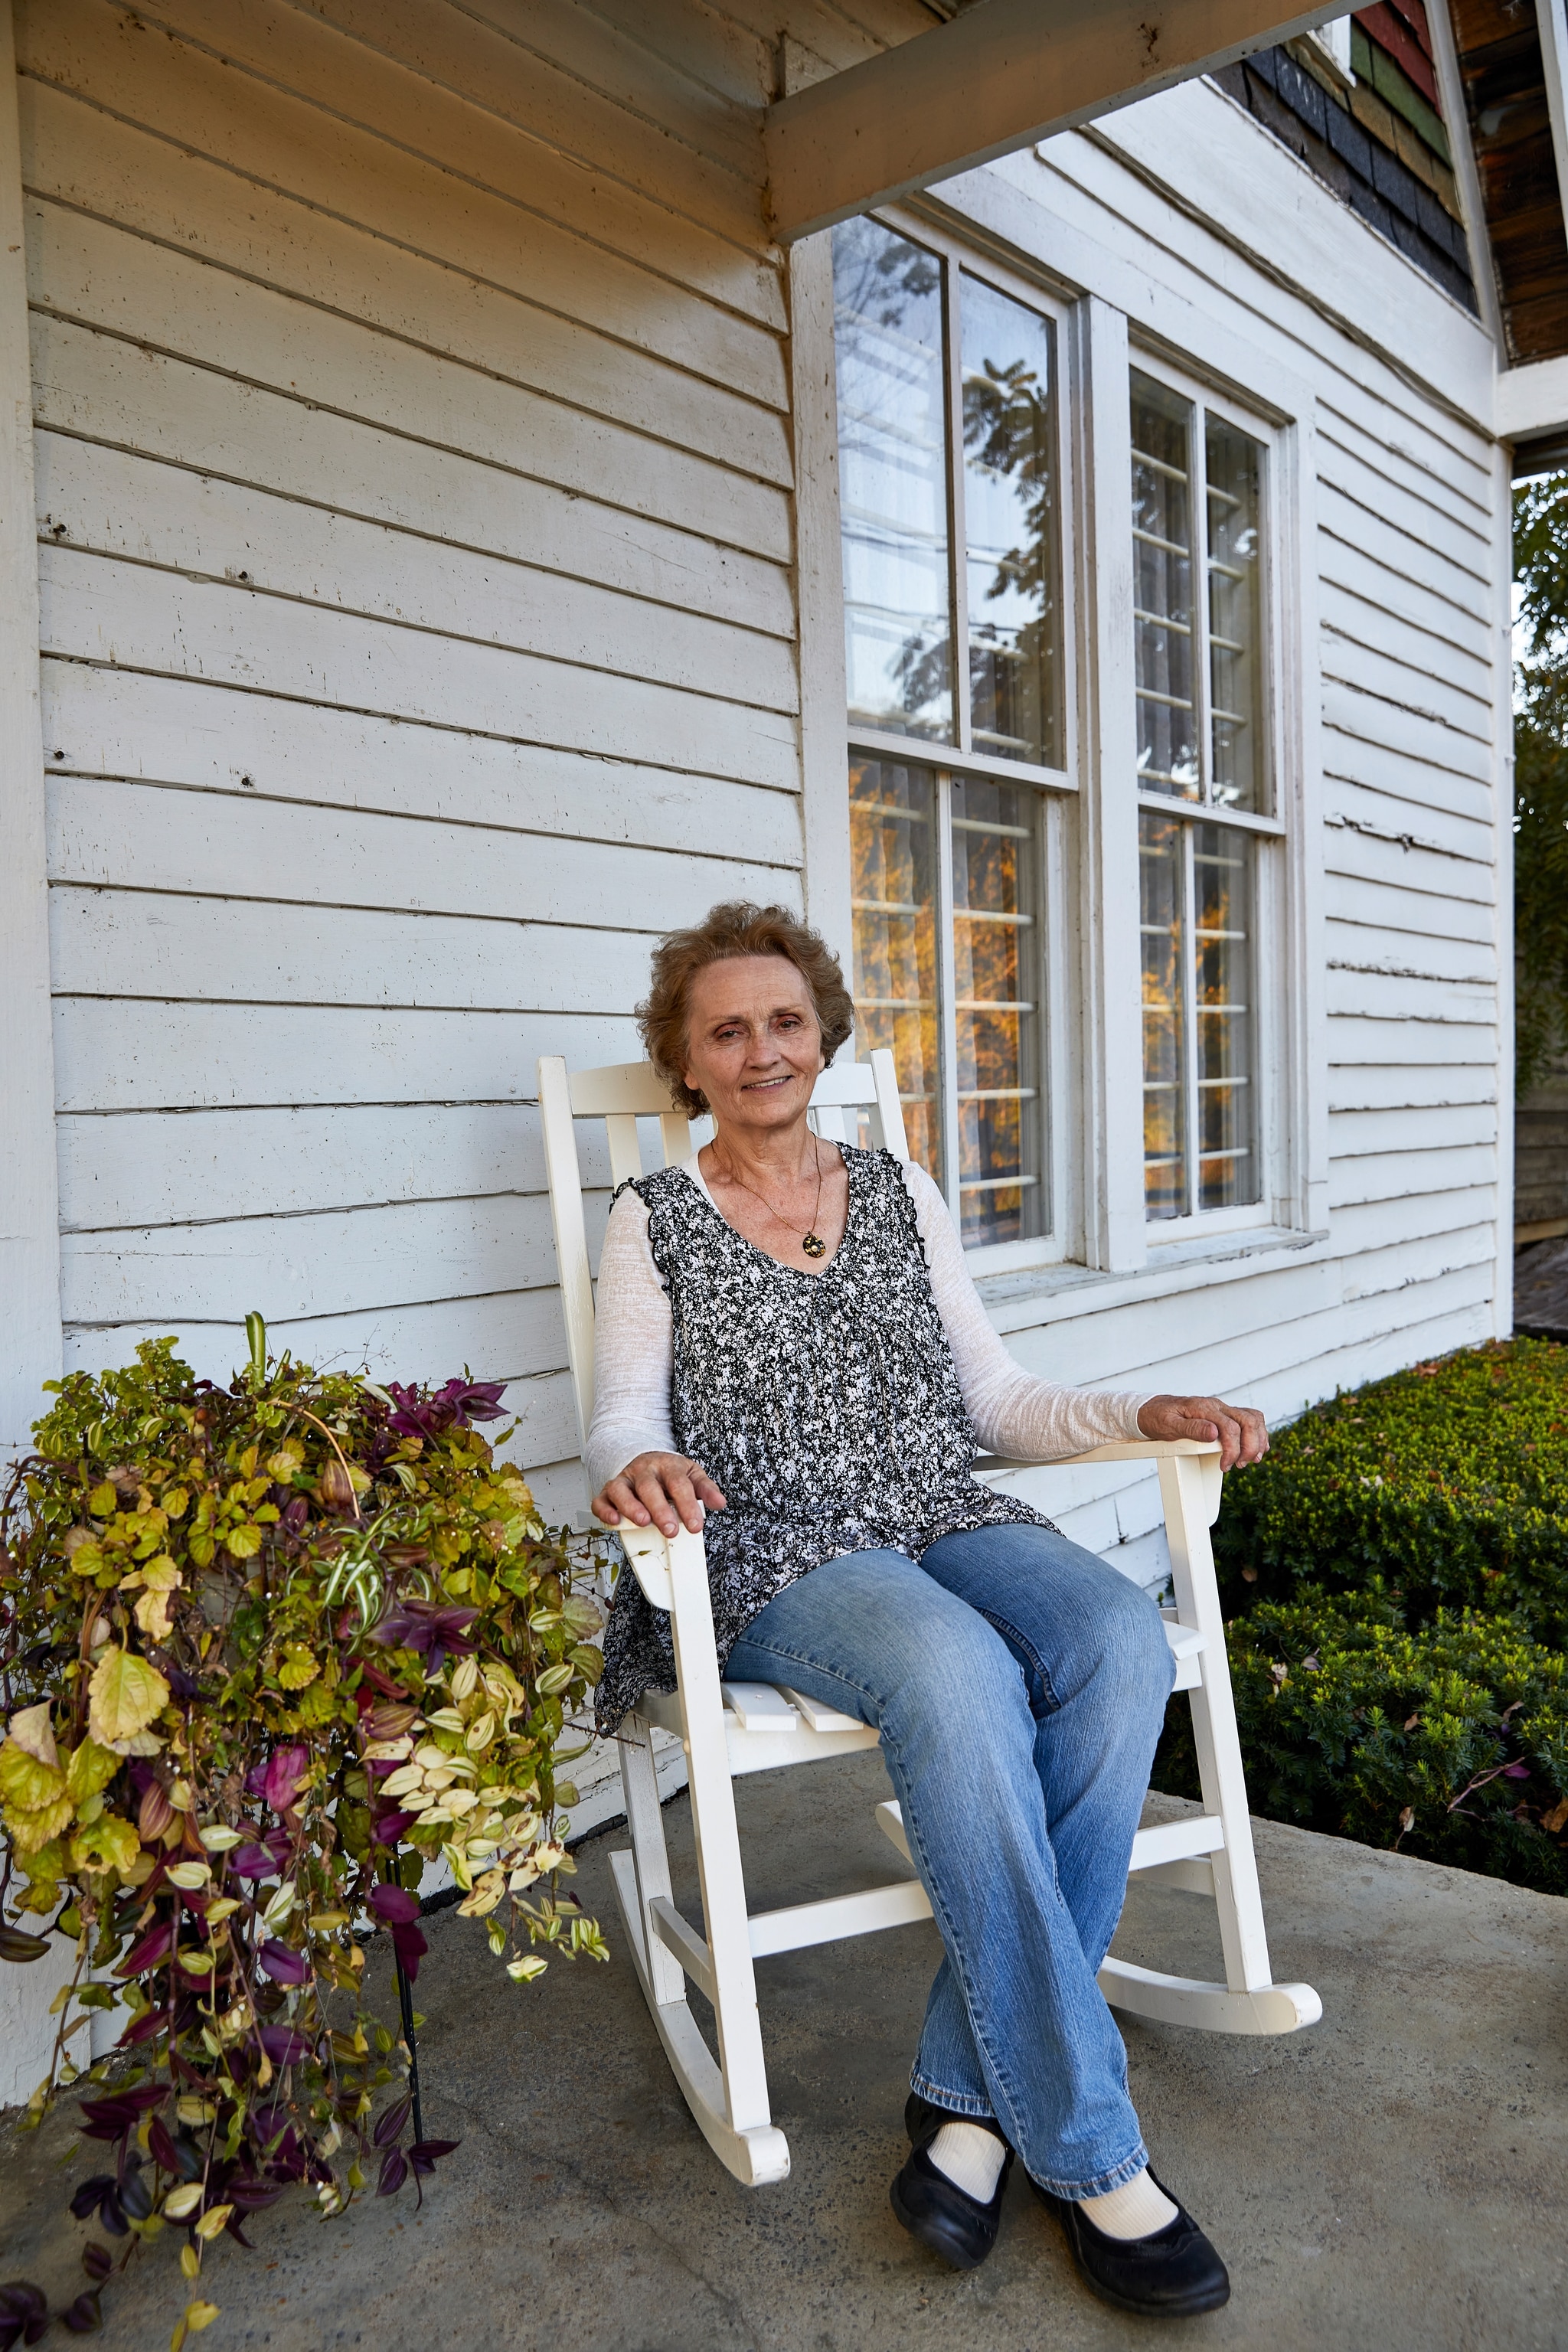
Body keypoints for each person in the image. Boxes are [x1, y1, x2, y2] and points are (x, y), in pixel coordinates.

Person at [588, 902, 1267, 2318]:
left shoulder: (899, 1191)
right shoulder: (651, 1220)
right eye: (728, 1030)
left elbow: (998, 1404)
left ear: (822, 1033)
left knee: (1110, 1639)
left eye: (785, 1020)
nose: (762, 1048)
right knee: (960, 1674)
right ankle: (1088, 2153)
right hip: (770, 1548)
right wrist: (638, 1463)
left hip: (942, 1509)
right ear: (688, 1062)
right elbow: (620, 1415)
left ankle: (965, 2104)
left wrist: (1146, 1410)